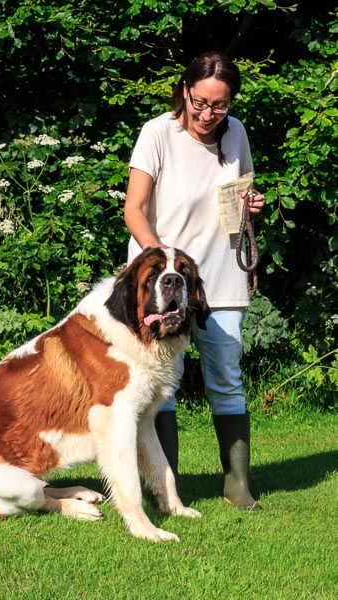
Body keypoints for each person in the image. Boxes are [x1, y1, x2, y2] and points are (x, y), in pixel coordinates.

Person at [124, 51, 264, 510]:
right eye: (200, 102)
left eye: (219, 106)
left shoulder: (236, 132)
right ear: (185, 91)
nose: (208, 114)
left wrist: (251, 207)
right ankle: (166, 485)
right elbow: (134, 209)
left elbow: (233, 202)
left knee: (226, 376)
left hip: (219, 277)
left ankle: (237, 484)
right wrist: (162, 264)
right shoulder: (157, 133)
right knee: (160, 386)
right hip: (162, 283)